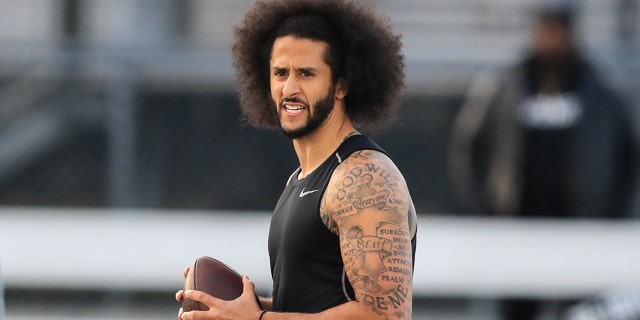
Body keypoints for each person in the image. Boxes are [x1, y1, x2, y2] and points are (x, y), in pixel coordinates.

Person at [176, 0, 418, 319]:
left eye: (306, 73)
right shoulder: (301, 179)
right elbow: (311, 307)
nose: (289, 88)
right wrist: (235, 309)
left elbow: (384, 316)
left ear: (341, 85)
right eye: (280, 73)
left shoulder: (362, 178)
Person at [449, 3, 638, 320]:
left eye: (560, 30)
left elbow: (628, 156)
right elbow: (469, 148)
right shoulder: (505, 86)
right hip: (516, 227)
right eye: (547, 29)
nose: (553, 38)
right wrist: (485, 207)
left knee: (580, 310)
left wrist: (611, 213)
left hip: (581, 231)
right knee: (517, 307)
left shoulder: (601, 91)